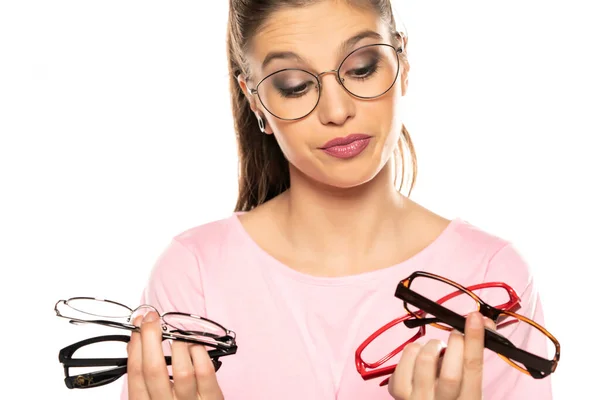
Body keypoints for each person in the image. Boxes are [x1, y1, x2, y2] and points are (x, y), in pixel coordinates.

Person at [122, 0, 553, 399]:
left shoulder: (492, 276)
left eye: (362, 67)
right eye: (294, 86)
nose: (336, 109)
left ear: (402, 63)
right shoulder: (193, 275)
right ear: (255, 101)